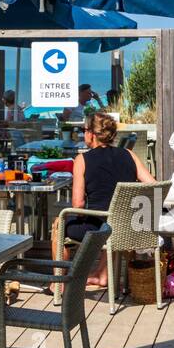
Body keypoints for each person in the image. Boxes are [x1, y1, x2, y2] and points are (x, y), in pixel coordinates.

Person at [64, 112, 154, 288]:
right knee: (114, 217)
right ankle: (102, 276)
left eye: (84, 130)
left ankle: (59, 283)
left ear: (91, 133)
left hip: (99, 230)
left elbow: (78, 205)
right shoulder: (129, 154)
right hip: (127, 226)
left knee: (59, 224)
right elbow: (153, 186)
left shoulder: (82, 160)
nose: (83, 134)